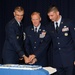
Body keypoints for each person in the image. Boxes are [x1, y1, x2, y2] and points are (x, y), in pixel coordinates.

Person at [46, 5, 75, 75]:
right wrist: (34, 55)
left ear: (57, 13)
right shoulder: (49, 26)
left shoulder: (69, 23)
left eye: (52, 15)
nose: (50, 18)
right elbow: (45, 43)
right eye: (49, 16)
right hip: (57, 61)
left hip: (69, 60)